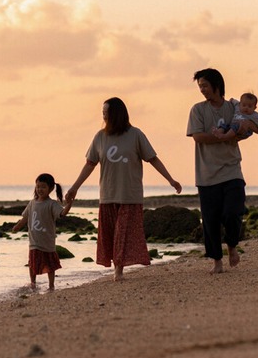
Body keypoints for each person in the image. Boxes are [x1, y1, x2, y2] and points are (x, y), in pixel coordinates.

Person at [64, 97, 183, 281]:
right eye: (102, 112)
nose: (103, 116)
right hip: (107, 195)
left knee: (122, 233)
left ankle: (118, 271)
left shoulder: (135, 135)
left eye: (106, 112)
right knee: (111, 235)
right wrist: (74, 188)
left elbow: (152, 158)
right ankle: (116, 267)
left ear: (116, 114)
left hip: (130, 195)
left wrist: (170, 180)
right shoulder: (100, 137)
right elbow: (89, 164)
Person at [187, 68, 247, 274]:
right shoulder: (198, 109)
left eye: (204, 85)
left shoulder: (233, 107)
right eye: (200, 86)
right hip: (206, 174)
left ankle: (232, 245)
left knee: (233, 212)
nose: (202, 90)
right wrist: (224, 137)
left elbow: (244, 128)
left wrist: (238, 133)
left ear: (216, 85)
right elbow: (197, 136)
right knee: (210, 221)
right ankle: (217, 262)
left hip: (232, 170)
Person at [11, 173, 66, 291]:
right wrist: (17, 227)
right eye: (38, 186)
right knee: (32, 263)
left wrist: (70, 204)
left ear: (50, 189)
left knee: (50, 265)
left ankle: (51, 285)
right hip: (34, 241)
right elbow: (25, 218)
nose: (40, 189)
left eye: (43, 187)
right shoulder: (32, 203)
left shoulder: (52, 204)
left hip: (47, 242)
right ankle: (33, 283)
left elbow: (62, 214)